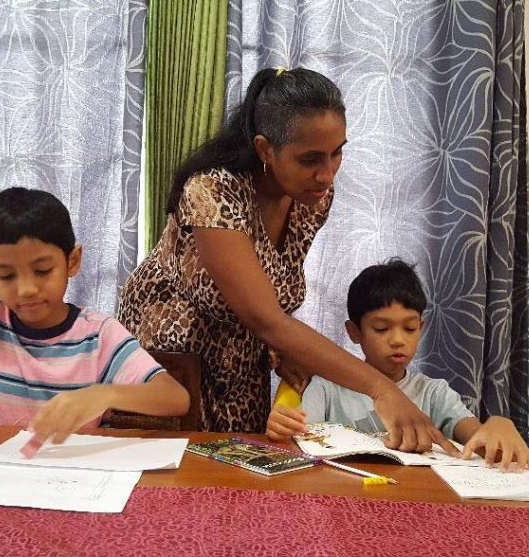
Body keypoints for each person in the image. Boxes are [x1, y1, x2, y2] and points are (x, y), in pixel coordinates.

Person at [118, 66, 458, 455]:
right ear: (265, 149)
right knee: (174, 485)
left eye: (337, 152)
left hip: (243, 361)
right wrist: (382, 389)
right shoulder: (212, 190)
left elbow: (270, 292)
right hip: (173, 359)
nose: (327, 174)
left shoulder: (310, 198)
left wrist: (287, 352)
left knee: (242, 481)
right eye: (311, 158)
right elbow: (265, 316)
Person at [0, 187, 189, 451]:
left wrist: (104, 395)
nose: (26, 289)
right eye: (7, 275)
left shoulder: (99, 335)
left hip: (72, 479)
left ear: (72, 261)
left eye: (42, 270)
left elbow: (175, 398)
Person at [266, 260, 529, 469]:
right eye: (381, 329)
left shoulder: (434, 393)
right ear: (354, 332)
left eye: (409, 328)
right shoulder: (327, 387)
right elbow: (300, 440)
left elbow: (476, 438)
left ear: (422, 327)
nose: (397, 340)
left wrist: (498, 425)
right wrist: (284, 427)